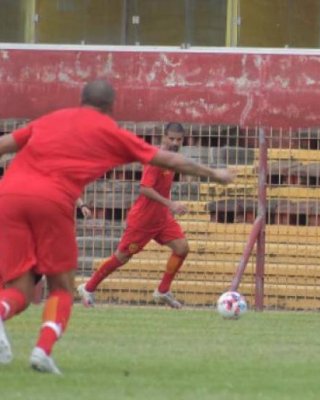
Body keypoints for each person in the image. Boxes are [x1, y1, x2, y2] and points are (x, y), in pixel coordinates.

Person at [0, 80, 235, 374]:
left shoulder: (51, 119)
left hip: (7, 195)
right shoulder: (111, 132)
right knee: (60, 286)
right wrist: (215, 173)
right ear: (111, 107)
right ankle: (42, 350)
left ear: (81, 99)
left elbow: (6, 143)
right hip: (52, 200)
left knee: (19, 287)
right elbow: (169, 159)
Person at [78, 122, 191, 309]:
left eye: (178, 139)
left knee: (182, 248)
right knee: (121, 257)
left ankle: (163, 290)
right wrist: (171, 204)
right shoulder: (156, 159)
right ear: (163, 137)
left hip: (161, 219)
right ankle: (88, 288)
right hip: (143, 221)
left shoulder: (172, 158)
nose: (175, 142)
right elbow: (145, 188)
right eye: (171, 138)